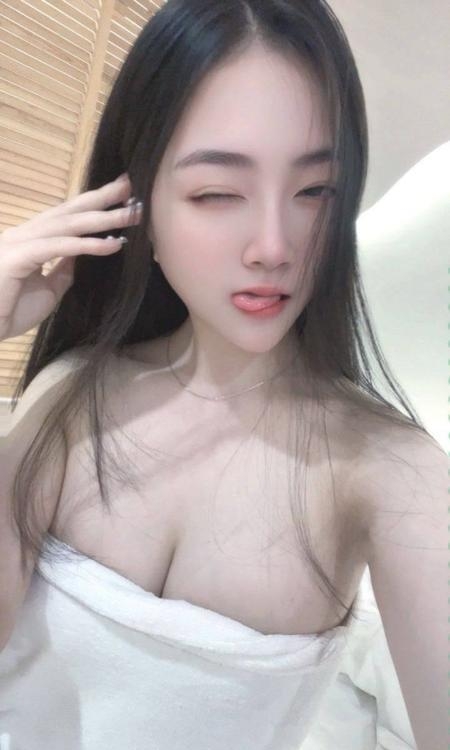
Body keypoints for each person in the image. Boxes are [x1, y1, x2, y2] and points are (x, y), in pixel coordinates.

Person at [0, 1, 446, 749]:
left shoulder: (389, 470)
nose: (274, 245)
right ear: (136, 206)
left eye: (315, 192)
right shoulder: (73, 393)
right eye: (216, 193)